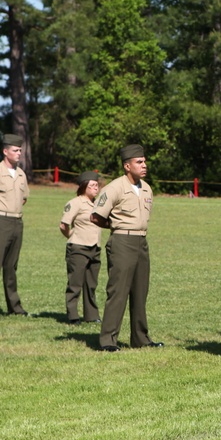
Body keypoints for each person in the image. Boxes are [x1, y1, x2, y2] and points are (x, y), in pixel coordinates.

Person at [91, 144, 162, 352]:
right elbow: (95, 216)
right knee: (118, 292)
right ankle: (108, 340)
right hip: (122, 241)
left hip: (141, 241)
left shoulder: (147, 188)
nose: (144, 165)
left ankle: (140, 338)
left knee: (141, 291)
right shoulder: (114, 188)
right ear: (127, 166)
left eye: (144, 161)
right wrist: (115, 226)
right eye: (139, 162)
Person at [0, 133, 29, 320]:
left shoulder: (20, 173)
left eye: (20, 150)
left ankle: (14, 305)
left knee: (11, 266)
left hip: (17, 222)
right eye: (15, 150)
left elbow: (24, 197)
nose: (19, 153)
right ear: (5, 151)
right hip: (0, 221)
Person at [60, 171, 103, 325]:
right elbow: (64, 224)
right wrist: (71, 235)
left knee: (91, 284)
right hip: (78, 247)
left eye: (97, 185)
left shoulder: (97, 203)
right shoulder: (76, 202)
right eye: (92, 185)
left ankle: (91, 315)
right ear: (84, 186)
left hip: (95, 247)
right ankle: (72, 315)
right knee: (75, 283)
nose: (95, 188)